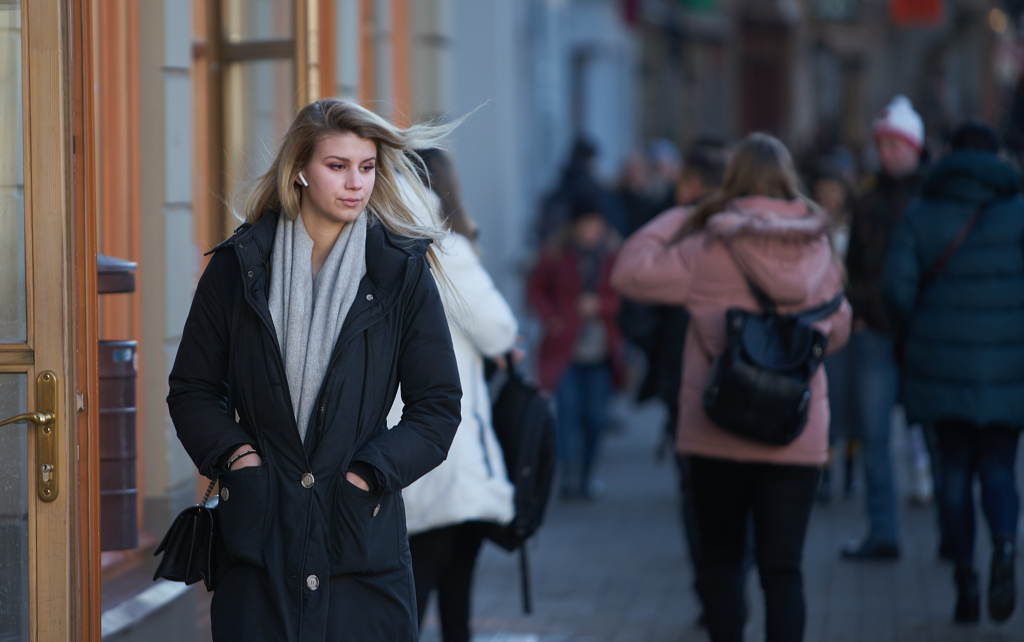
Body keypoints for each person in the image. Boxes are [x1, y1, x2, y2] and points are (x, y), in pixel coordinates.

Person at [166, 98, 463, 641]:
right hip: (260, 542)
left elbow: (438, 407)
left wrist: (368, 475)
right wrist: (238, 458)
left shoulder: (402, 274)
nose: (356, 183)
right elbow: (192, 389)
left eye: (367, 167)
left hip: (360, 544)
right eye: (338, 166)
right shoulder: (239, 267)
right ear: (300, 169)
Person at [611, 133, 851, 642]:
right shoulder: (819, 246)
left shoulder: (706, 246)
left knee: (721, 562)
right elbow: (841, 326)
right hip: (797, 429)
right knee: (783, 570)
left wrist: (693, 212)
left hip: (716, 428)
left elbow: (629, 271)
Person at [881, 121, 1024, 624]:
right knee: (1001, 467)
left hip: (939, 363)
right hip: (1008, 366)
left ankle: (965, 581)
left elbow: (895, 288)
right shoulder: (1018, 212)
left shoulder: (922, 212)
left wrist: (921, 326)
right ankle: (1005, 547)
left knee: (955, 471)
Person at [385, 148, 519, 642]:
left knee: (419, 585)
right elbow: (500, 329)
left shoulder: (376, 243)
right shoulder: (443, 250)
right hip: (444, 444)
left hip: (397, 442)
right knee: (440, 588)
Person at [842, 95, 927, 561]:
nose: (889, 153)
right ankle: (883, 532)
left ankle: (953, 535)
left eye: (897, 144)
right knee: (874, 437)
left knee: (936, 435)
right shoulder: (867, 200)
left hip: (923, 335)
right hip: (875, 331)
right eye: (883, 144)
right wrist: (859, 306)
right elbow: (852, 265)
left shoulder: (930, 198)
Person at [528, 192, 624, 499]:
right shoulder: (556, 253)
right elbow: (535, 291)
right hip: (565, 348)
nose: (589, 230)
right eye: (584, 224)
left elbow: (623, 296)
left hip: (601, 350)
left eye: (594, 224)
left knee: (595, 417)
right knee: (567, 412)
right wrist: (552, 318)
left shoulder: (611, 255)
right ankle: (567, 475)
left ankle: (586, 475)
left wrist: (601, 306)